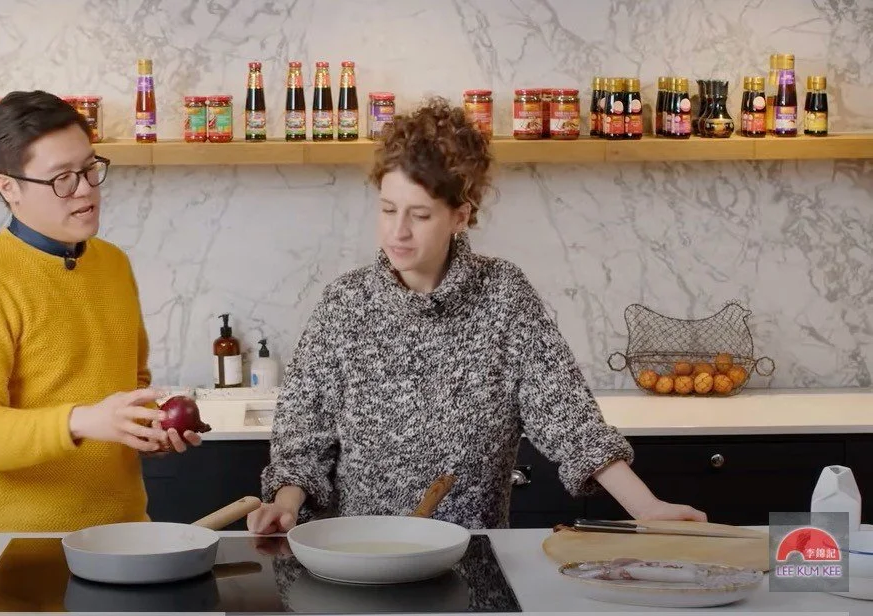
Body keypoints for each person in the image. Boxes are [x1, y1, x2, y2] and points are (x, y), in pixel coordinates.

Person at [248, 97, 706, 533]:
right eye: (388, 210)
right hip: (359, 561)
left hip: (473, 561)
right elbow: (302, 439)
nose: (398, 232)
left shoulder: (504, 296)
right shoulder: (344, 304)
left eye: (420, 215)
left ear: (460, 216)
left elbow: (571, 420)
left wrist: (647, 507)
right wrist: (284, 506)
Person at [0, 90, 200, 532]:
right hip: (25, 545)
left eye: (90, 168)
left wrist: (147, 430)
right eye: (62, 179)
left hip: (124, 534)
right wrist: (84, 421)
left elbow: (132, 384)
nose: (86, 190)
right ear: (8, 187)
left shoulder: (113, 263)